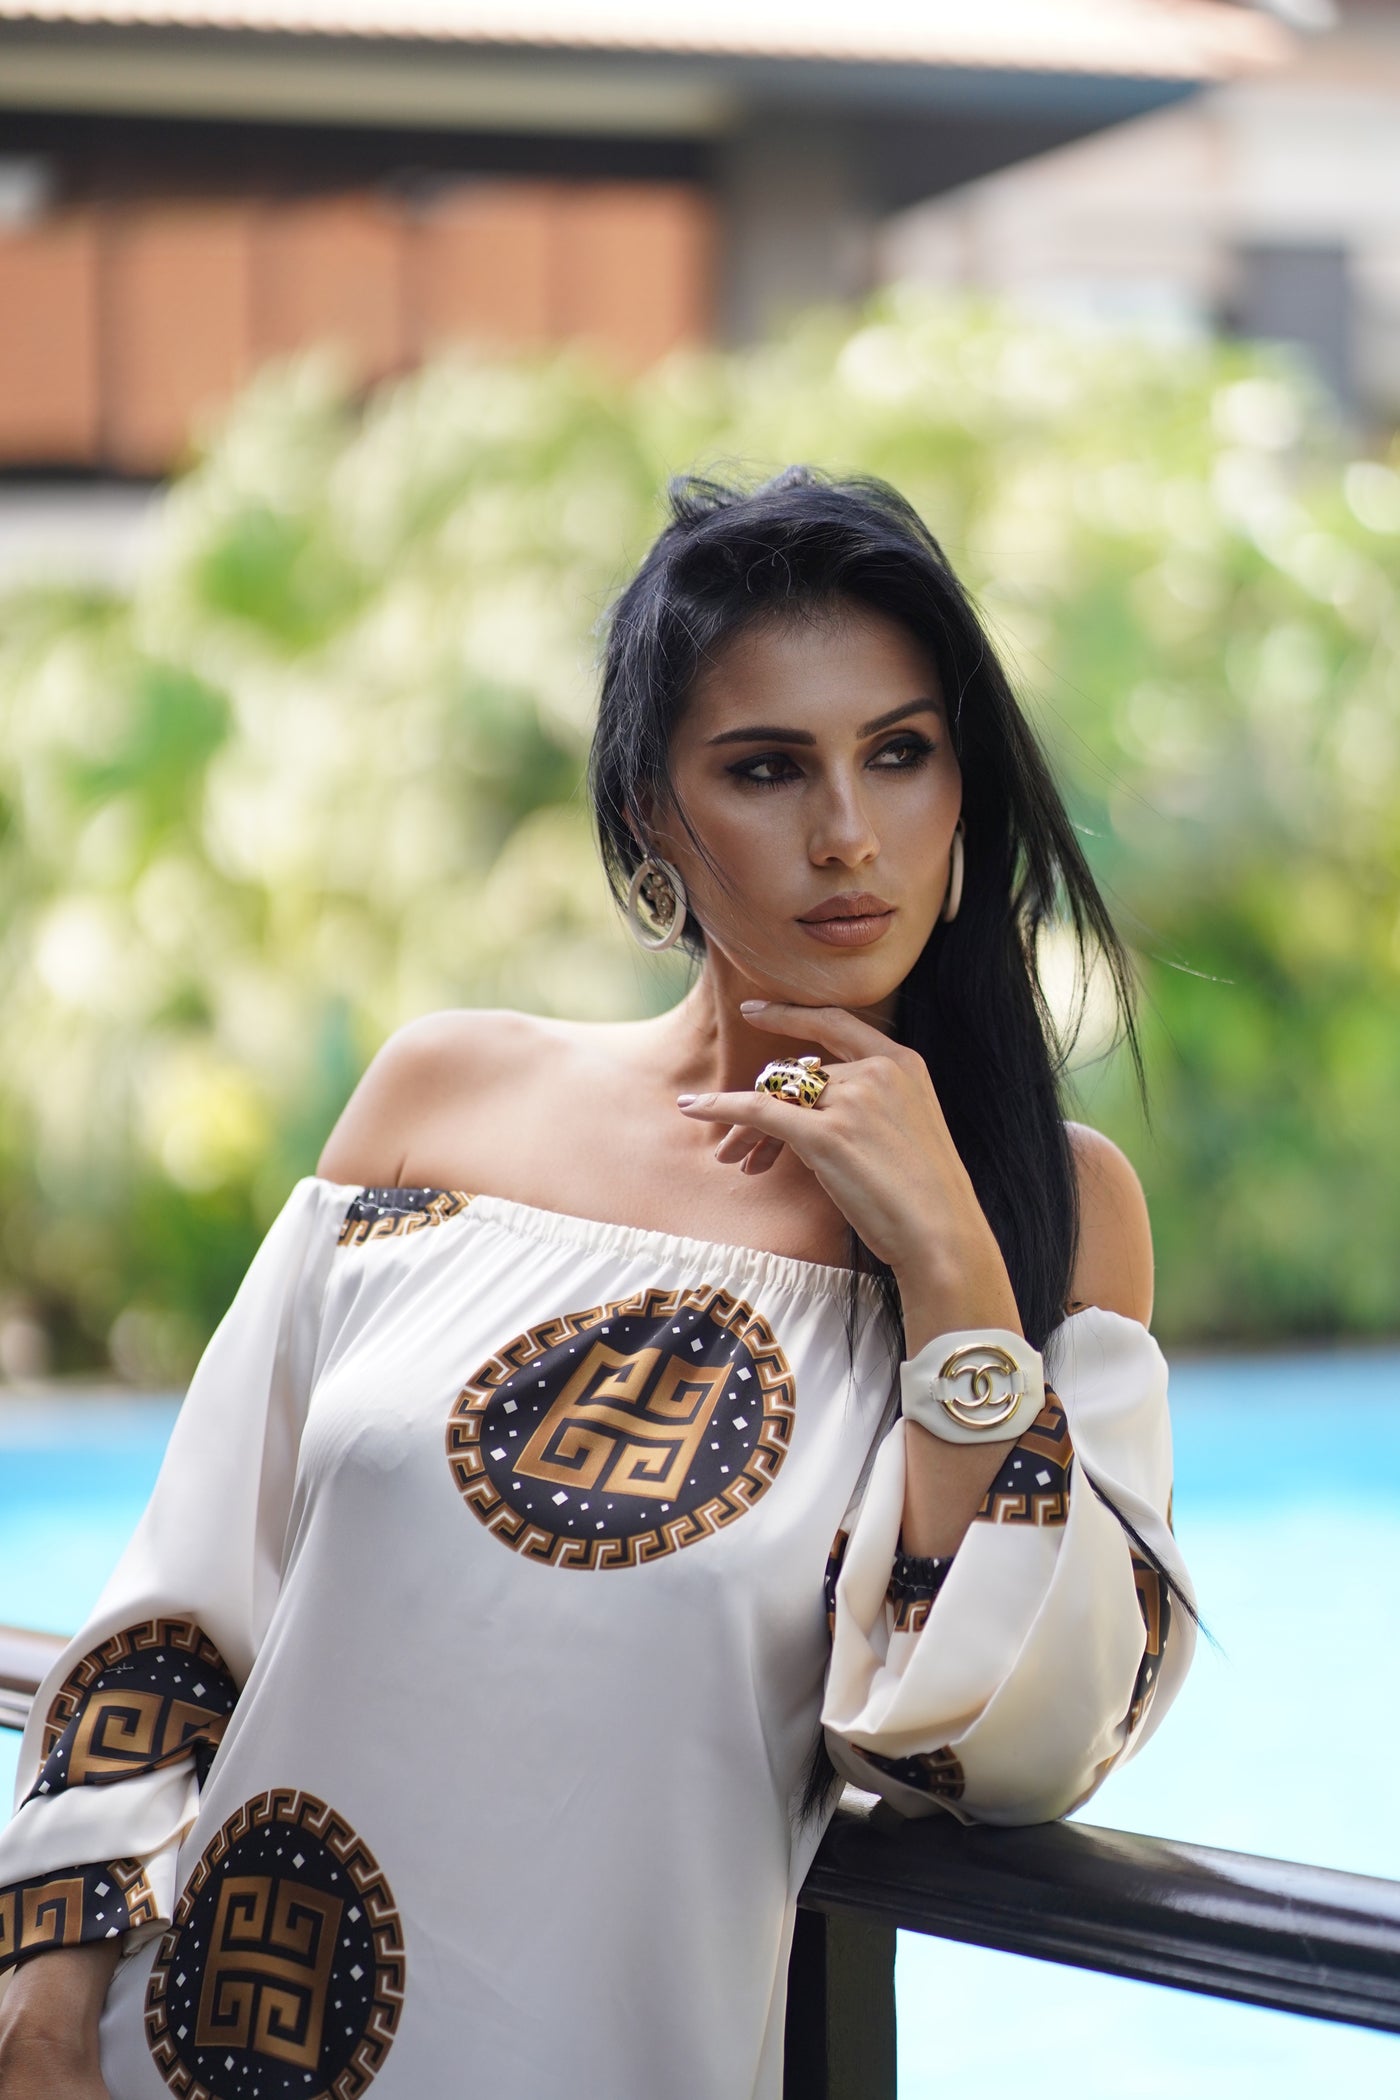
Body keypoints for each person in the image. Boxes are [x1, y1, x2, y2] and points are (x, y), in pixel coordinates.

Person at [0, 468, 1194, 2100]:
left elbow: (1015, 1746)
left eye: (899, 754)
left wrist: (949, 1268)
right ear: (649, 813)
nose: (847, 835)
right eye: (765, 768)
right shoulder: (443, 1103)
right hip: (188, 2050)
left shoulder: (1052, 1214)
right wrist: (42, 2024)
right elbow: (175, 1620)